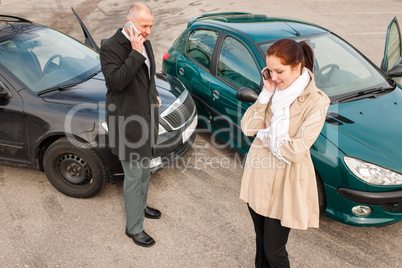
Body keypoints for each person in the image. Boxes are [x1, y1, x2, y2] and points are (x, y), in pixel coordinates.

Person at [240, 38, 330, 267]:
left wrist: (266, 135)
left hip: (286, 183)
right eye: (270, 70)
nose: (274, 77)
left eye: (279, 71)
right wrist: (265, 94)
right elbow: (248, 128)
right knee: (261, 244)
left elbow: (295, 150)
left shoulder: (317, 101)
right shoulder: (272, 90)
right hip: (259, 176)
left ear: (297, 66)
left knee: (274, 251)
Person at [100, 3, 162, 248]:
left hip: (146, 117)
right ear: (130, 22)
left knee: (145, 169)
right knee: (134, 175)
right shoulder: (110, 47)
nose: (148, 31)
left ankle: (142, 206)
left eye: (151, 26)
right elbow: (116, 82)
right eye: (145, 25)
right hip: (128, 123)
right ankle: (133, 228)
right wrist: (135, 52)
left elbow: (149, 74)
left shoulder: (145, 42)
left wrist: (152, 94)